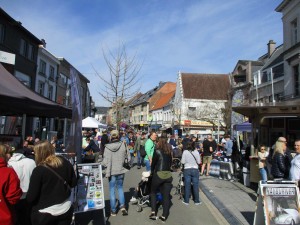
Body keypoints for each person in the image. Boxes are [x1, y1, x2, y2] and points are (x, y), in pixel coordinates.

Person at [26, 141, 77, 225]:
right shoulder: (65, 162)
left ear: (39, 153)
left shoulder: (39, 170)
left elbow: (31, 197)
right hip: (65, 208)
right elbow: (73, 183)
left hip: (45, 212)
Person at [102, 130, 129, 216]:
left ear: (111, 136)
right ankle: (123, 206)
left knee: (112, 190)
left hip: (111, 171)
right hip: (121, 170)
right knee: (120, 188)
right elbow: (128, 157)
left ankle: (113, 210)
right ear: (118, 136)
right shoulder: (123, 144)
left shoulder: (107, 147)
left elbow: (105, 161)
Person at [8, 148, 36, 225]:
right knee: (26, 219)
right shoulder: (32, 162)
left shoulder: (9, 163)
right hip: (29, 196)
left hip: (15, 196)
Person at [149, 136, 173, 222]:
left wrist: (151, 172)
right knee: (166, 196)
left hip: (159, 174)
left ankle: (153, 212)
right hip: (168, 175)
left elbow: (153, 164)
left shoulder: (157, 151)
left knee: (153, 192)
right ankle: (164, 216)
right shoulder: (169, 151)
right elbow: (170, 163)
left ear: (159, 142)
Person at [0, 145, 23, 225]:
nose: (11, 156)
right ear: (4, 155)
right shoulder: (8, 172)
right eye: (9, 153)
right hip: (4, 218)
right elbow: (13, 198)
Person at [181, 141, 201, 206]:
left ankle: (186, 201)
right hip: (195, 169)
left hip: (187, 169)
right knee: (195, 185)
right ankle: (197, 201)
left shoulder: (185, 152)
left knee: (187, 185)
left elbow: (183, 162)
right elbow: (199, 161)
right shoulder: (196, 152)